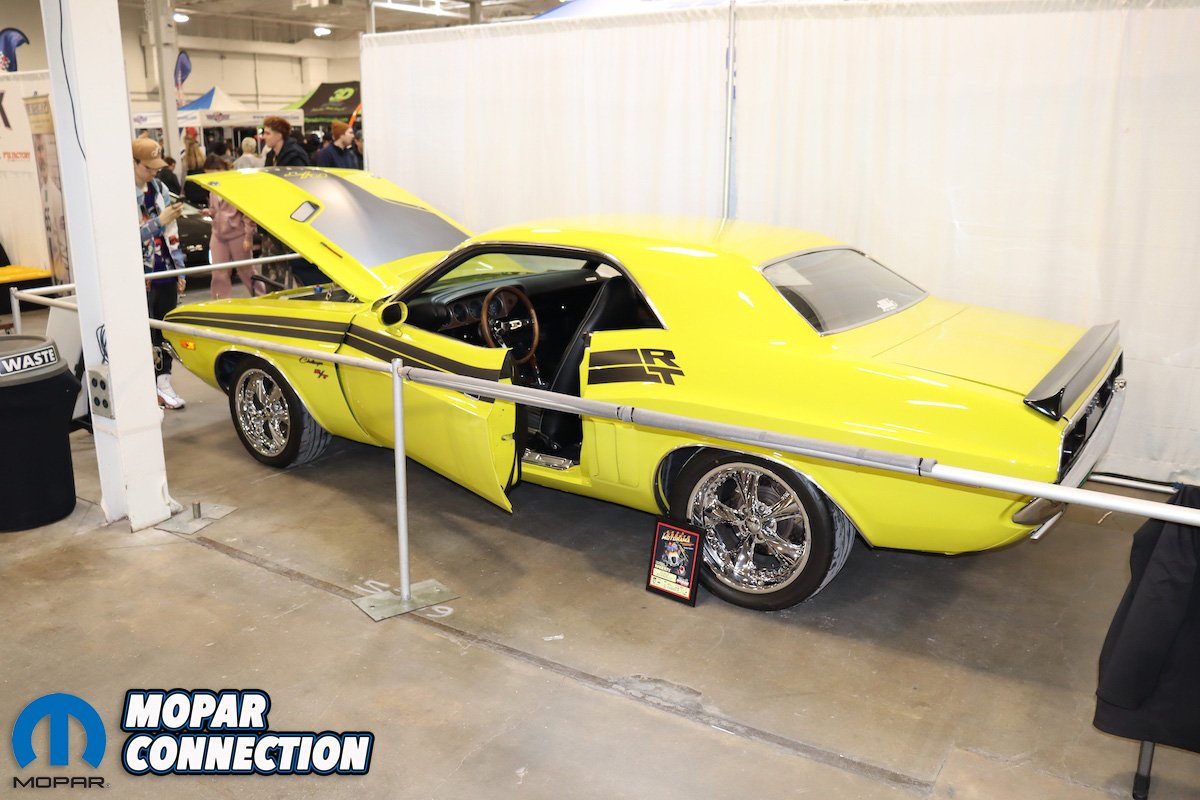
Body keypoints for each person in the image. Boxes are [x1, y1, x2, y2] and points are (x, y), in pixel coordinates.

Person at [133, 138, 186, 410]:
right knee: (143, 331)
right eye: (147, 167)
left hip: (165, 269)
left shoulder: (159, 188)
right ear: (133, 163)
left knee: (165, 330)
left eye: (156, 167)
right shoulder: (123, 193)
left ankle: (164, 382)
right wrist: (159, 222)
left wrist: (180, 268)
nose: (153, 172)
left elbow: (172, 232)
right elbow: (127, 237)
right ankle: (145, 388)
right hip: (141, 275)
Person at [201, 155, 260, 300]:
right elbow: (216, 209)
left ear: (221, 170)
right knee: (218, 272)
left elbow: (248, 214)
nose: (210, 178)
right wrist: (210, 212)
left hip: (237, 234)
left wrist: (248, 237)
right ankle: (221, 303)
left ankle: (262, 297)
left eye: (212, 174)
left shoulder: (237, 187)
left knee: (246, 271)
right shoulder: (213, 188)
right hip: (218, 234)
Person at [182, 135, 208, 207]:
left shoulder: (186, 159)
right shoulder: (203, 158)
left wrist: (182, 191)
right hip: (202, 183)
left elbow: (183, 176)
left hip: (191, 185)